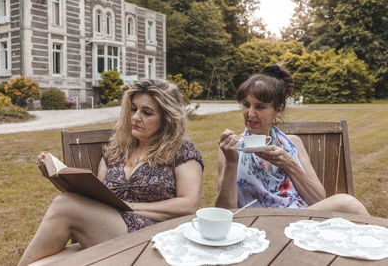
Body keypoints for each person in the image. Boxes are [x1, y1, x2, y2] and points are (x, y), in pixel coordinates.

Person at [19, 79, 204, 266]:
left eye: (147, 112)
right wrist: (55, 177)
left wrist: (129, 206)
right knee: (38, 264)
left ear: (167, 118)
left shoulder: (180, 151)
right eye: (133, 109)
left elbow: (188, 204)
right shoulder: (116, 149)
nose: (136, 117)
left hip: (154, 238)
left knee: (64, 204)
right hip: (109, 233)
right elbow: (97, 196)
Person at [215, 64, 369, 215]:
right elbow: (225, 213)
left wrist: (289, 164)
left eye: (260, 107)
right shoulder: (231, 149)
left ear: (278, 110)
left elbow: (318, 199)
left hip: (299, 219)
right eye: (246, 105)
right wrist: (231, 162)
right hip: (258, 222)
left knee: (348, 203)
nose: (250, 114)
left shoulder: (293, 143)